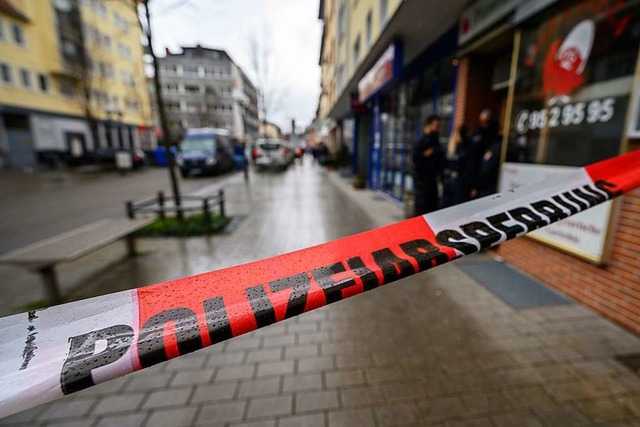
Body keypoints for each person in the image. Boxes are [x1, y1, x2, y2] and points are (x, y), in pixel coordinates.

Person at [412, 115, 443, 216]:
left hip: (432, 179)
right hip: (422, 180)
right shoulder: (422, 141)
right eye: (436, 125)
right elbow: (415, 158)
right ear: (429, 125)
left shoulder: (436, 141)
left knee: (432, 206)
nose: (438, 128)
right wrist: (425, 154)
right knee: (421, 207)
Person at [471, 109, 502, 198]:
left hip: (490, 179)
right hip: (478, 176)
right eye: (482, 121)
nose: (484, 124)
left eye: (486, 121)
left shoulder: (495, 138)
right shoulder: (478, 134)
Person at [442, 125, 474, 208]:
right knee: (445, 204)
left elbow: (470, 167)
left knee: (456, 205)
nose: (455, 135)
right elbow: (445, 163)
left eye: (457, 133)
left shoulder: (466, 149)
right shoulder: (451, 147)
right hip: (448, 179)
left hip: (460, 181)